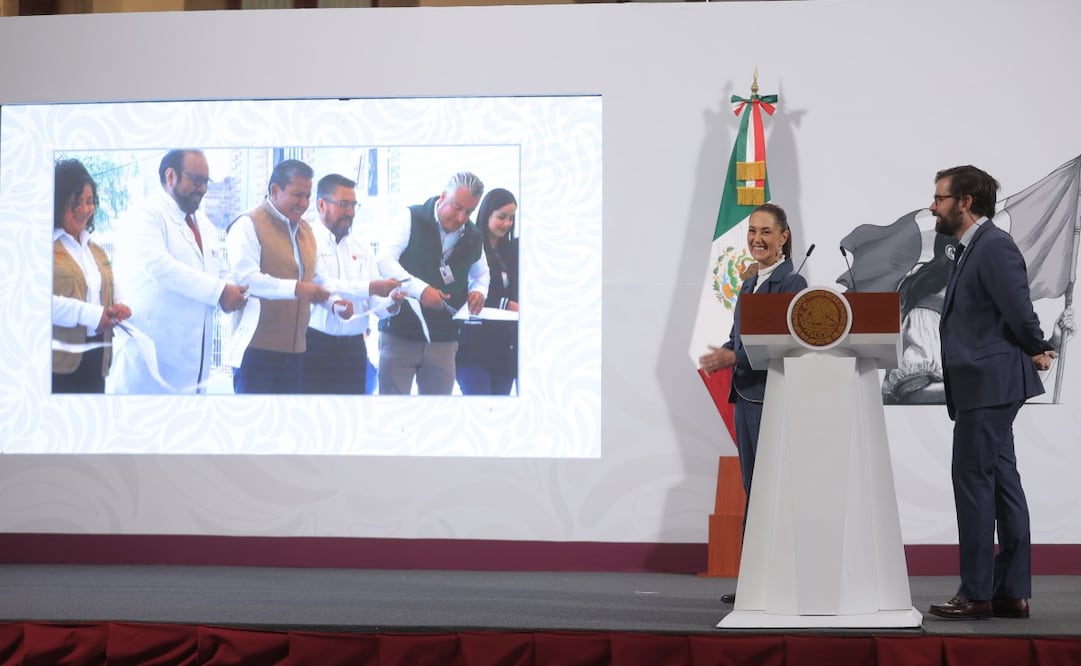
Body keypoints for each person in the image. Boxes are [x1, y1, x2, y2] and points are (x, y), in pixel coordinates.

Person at [927, 165, 1056, 620]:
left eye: (940, 198)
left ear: (965, 202)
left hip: (988, 384)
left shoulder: (993, 246)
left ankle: (976, 593)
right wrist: (1032, 347)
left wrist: (1037, 345)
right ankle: (1011, 593)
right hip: (987, 383)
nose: (933, 206)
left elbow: (1018, 309)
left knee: (974, 485)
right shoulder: (972, 247)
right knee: (1002, 485)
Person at [697, 202, 807, 604]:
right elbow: (740, 337)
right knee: (753, 490)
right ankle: (754, 582)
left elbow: (787, 344)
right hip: (746, 396)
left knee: (771, 491)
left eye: (766, 232)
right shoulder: (748, 283)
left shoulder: (792, 285)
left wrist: (735, 357)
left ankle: (776, 583)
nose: (757, 239)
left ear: (783, 237)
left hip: (770, 398)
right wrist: (723, 353)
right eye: (752, 232)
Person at [107, 149, 248, 394]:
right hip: (151, 361)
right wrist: (220, 292)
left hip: (194, 365)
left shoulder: (203, 224)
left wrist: (232, 289)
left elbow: (220, 270)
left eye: (206, 182)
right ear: (170, 176)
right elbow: (160, 267)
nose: (203, 189)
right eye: (196, 180)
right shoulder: (144, 214)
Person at [226, 159, 353, 394]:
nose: (304, 203)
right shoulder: (247, 225)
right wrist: (297, 288)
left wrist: (335, 304)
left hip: (296, 353)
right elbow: (247, 279)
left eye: (307, 196)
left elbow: (317, 277)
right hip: (255, 351)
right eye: (297, 195)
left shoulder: (305, 230)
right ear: (275, 190)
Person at [376, 172, 489, 395]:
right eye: (457, 207)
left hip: (444, 340)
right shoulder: (410, 217)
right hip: (400, 333)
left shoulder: (474, 236)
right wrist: (420, 290)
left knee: (438, 415)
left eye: (469, 211)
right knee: (392, 410)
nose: (461, 217)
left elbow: (481, 275)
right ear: (442, 196)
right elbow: (385, 261)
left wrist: (479, 291)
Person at [301, 174, 404, 394]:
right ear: (321, 205)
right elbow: (321, 285)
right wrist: (371, 287)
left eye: (353, 205)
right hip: (314, 344)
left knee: (351, 419)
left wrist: (391, 304)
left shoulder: (363, 248)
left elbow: (375, 300)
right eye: (343, 205)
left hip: (354, 348)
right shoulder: (307, 241)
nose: (350, 212)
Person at [51, 159, 131, 393]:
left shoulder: (94, 249)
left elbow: (109, 285)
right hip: (59, 362)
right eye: (75, 203)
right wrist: (92, 315)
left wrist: (120, 305)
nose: (85, 210)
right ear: (57, 203)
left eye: (89, 201)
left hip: (97, 356)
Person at [455, 188, 519, 395]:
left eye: (511, 218)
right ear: (486, 213)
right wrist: (506, 304)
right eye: (501, 217)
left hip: (505, 349)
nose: (507, 224)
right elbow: (467, 290)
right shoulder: (469, 245)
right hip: (474, 348)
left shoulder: (511, 251)